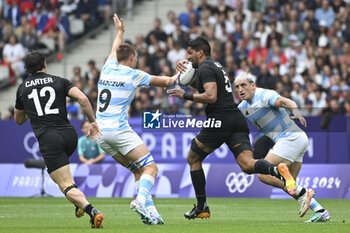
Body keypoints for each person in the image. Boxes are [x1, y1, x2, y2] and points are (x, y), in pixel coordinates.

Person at [167, 36, 296, 220]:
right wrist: (187, 78)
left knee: (193, 158)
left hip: (220, 120)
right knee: (248, 166)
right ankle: (278, 171)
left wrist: (185, 96)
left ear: (200, 52)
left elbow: (210, 96)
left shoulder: (205, 67)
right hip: (236, 118)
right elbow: (206, 87)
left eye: (190, 53)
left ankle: (202, 207)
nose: (188, 57)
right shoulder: (214, 65)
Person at [96, 14, 177, 225]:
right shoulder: (134, 74)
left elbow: (114, 48)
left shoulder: (107, 66)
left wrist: (120, 32)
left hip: (101, 134)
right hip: (118, 130)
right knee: (151, 168)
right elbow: (167, 82)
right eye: (136, 58)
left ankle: (151, 215)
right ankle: (140, 200)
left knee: (137, 170)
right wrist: (181, 73)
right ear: (132, 58)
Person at [14, 51, 104, 228]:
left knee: (65, 185)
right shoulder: (60, 81)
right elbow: (83, 99)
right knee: (67, 179)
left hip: (50, 140)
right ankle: (77, 202)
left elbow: (18, 120)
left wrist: (31, 112)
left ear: (27, 69)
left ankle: (91, 211)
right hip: (69, 136)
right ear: (45, 64)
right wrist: (93, 122)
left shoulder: (22, 88)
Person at [234, 71, 330, 222]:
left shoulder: (264, 95)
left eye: (243, 85)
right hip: (298, 139)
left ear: (253, 86)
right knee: (290, 184)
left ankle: (305, 192)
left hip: (290, 138)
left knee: (263, 175)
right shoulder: (243, 107)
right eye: (237, 86)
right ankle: (320, 211)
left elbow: (286, 102)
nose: (240, 89)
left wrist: (296, 111)